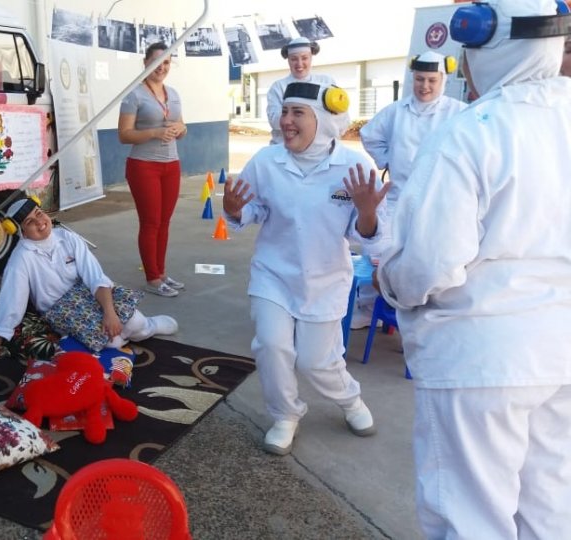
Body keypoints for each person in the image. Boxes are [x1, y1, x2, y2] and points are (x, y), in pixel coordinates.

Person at [376, 0, 571, 536]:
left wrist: (387, 280)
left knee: (468, 519)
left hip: (480, 361)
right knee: (551, 510)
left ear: (487, 43)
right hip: (562, 354)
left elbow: (429, 264)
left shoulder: (474, 129)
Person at [222, 81, 388, 456]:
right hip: (274, 275)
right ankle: (285, 415)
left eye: (298, 113)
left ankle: (349, 400)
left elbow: (370, 238)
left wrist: (366, 213)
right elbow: (252, 211)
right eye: (285, 112)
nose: (287, 122)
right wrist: (234, 210)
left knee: (316, 362)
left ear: (327, 120)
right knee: (271, 345)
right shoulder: (267, 161)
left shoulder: (355, 168)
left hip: (325, 279)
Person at [0, 198, 179, 361]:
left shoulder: (66, 237)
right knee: (111, 341)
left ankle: (149, 325)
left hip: (88, 294)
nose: (39, 222)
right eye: (29, 222)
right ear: (22, 232)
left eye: (39, 214)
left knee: (135, 322)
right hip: (62, 309)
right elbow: (11, 303)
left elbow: (95, 276)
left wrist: (109, 313)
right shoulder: (21, 259)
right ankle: (127, 336)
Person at [351, 51, 467, 329]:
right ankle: (370, 307)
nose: (424, 86)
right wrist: (386, 159)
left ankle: (425, 312)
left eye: (431, 80)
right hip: (397, 197)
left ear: (443, 79)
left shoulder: (458, 112)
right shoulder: (396, 111)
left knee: (430, 258)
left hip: (438, 202)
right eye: (419, 79)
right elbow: (369, 135)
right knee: (379, 250)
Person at [117, 41, 188, 298]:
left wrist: (181, 129)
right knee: (150, 222)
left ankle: (161, 272)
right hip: (144, 166)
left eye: (167, 62)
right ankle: (152, 278)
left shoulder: (174, 94)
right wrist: (155, 132)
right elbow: (124, 135)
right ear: (146, 63)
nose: (162, 67)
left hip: (171, 164)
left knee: (164, 223)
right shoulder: (134, 95)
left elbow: (182, 126)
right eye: (158, 62)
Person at [265, 37, 338, 145]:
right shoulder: (278, 87)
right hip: (284, 147)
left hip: (320, 147)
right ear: (288, 60)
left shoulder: (326, 82)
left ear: (311, 58)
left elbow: (337, 115)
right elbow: (275, 122)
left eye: (304, 58)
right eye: (294, 59)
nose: (299, 64)